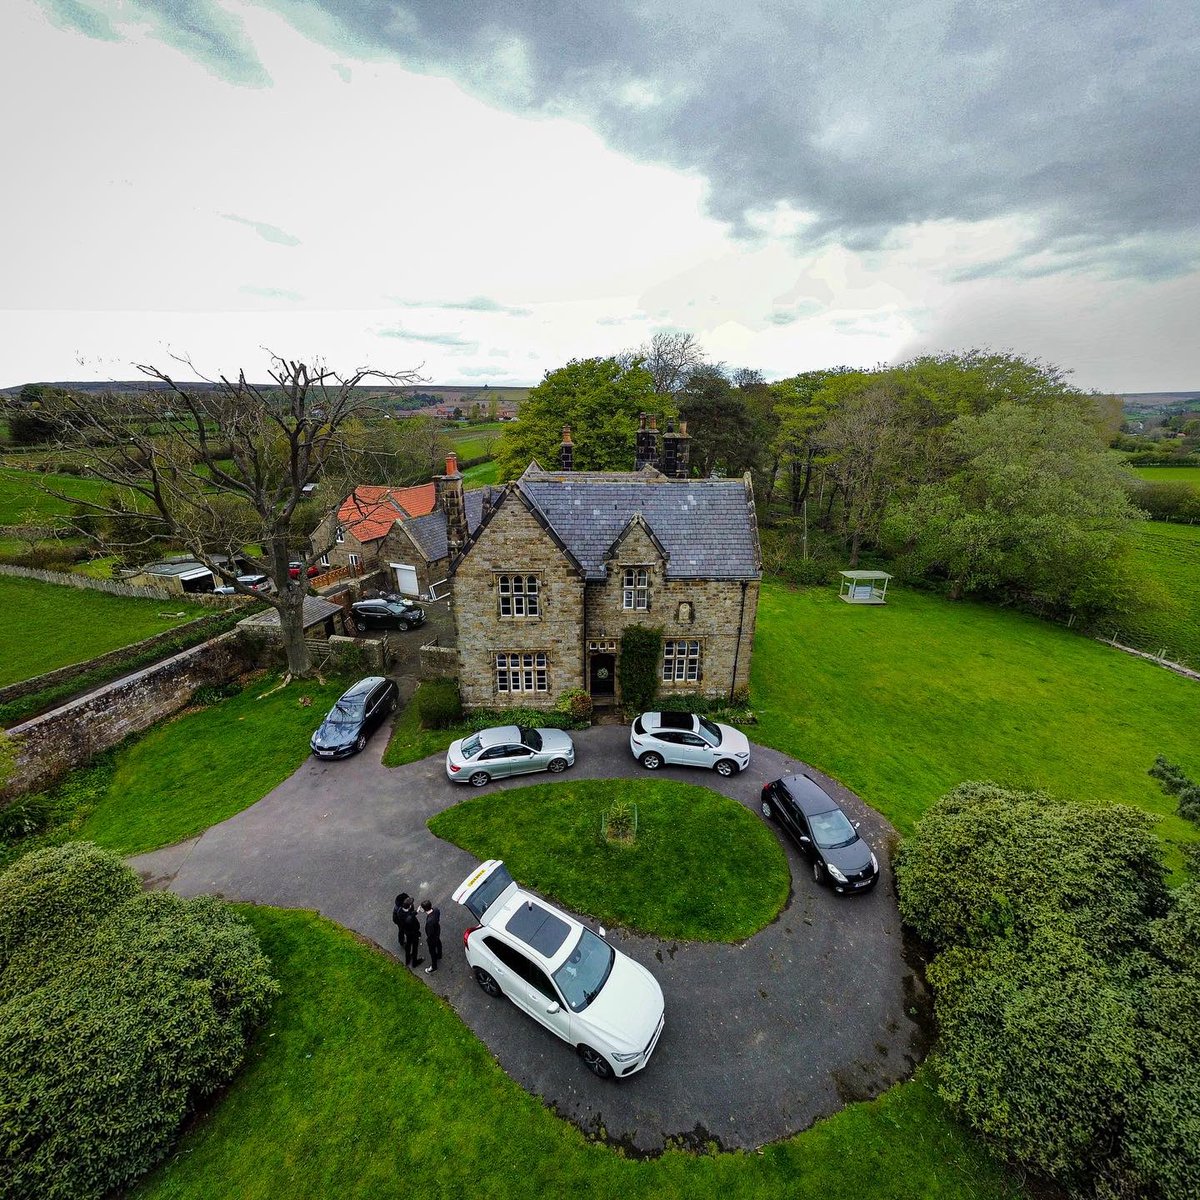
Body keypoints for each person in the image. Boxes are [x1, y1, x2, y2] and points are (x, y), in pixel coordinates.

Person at [420, 900, 442, 974]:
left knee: (432, 952)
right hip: (437, 931)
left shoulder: (429, 922)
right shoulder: (436, 910)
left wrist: (428, 939)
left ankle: (434, 966)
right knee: (438, 942)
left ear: (424, 909)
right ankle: (439, 954)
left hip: (432, 938)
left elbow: (430, 933)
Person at [400, 896, 422, 968]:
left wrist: (416, 911)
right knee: (415, 947)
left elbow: (410, 915)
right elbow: (411, 917)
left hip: (406, 931)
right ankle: (414, 962)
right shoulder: (409, 919)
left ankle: (408, 959)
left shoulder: (400, 911)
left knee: (408, 944)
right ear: (409, 906)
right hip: (413, 933)